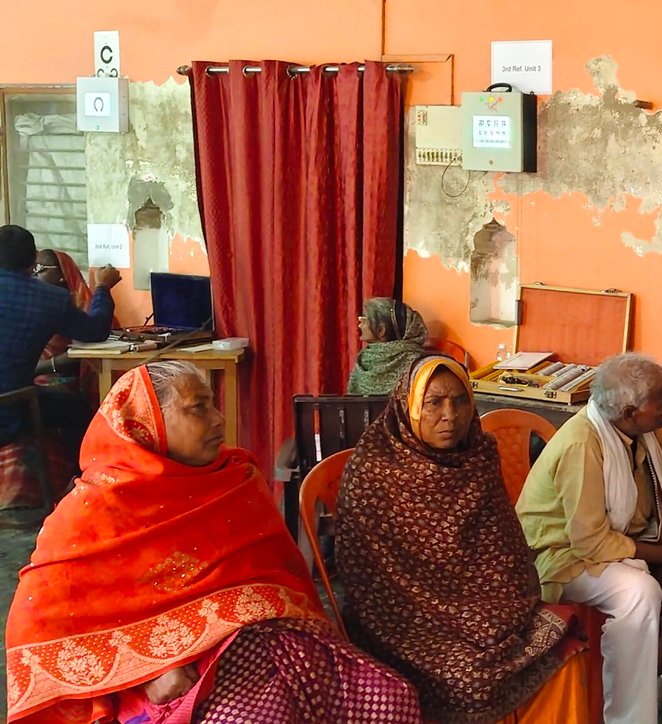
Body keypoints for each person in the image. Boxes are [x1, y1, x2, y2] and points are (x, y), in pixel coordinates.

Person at [5, 361, 422, 723]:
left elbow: (279, 576)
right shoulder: (95, 510)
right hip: (185, 671)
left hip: (275, 642)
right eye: (198, 408)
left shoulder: (235, 479)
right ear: (147, 422)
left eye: (213, 405)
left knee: (391, 698)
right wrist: (145, 674)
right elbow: (37, 622)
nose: (219, 420)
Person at [336, 356, 585, 723]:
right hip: (405, 623)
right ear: (408, 405)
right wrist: (461, 623)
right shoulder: (374, 471)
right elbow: (371, 584)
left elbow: (507, 553)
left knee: (561, 651)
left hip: (487, 611)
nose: (450, 415)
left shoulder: (479, 456)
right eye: (434, 402)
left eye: (460, 401)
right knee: (470, 678)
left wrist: (492, 619)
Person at [518, 353, 662, 722]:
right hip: (559, 557)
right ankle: (629, 716)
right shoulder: (582, 445)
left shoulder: (643, 433)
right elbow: (589, 543)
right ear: (630, 413)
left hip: (621, 541)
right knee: (639, 593)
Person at [0, 225, 120, 468]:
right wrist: (102, 287)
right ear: (32, 261)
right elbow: (95, 331)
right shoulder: (49, 299)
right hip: (9, 411)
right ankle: (83, 478)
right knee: (78, 409)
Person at [347, 296, 430, 395]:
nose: (360, 325)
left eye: (364, 320)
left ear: (381, 330)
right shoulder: (365, 358)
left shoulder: (414, 361)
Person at [33, 249, 92, 374]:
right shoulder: (31, 301)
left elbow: (83, 353)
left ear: (62, 274)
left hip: (58, 375)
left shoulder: (80, 305)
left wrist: (39, 368)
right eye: (31, 269)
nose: (34, 274)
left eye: (39, 268)